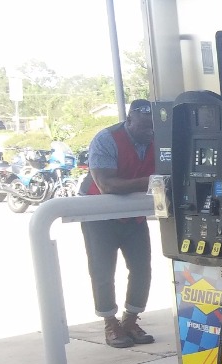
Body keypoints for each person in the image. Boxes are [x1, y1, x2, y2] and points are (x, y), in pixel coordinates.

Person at [83, 99, 156, 348]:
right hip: (98, 213)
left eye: (153, 127)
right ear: (129, 119)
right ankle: (110, 323)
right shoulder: (106, 139)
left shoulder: (158, 139)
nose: (150, 132)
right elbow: (106, 185)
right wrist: (151, 181)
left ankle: (130, 320)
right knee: (102, 271)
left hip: (134, 214)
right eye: (145, 127)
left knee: (142, 268)